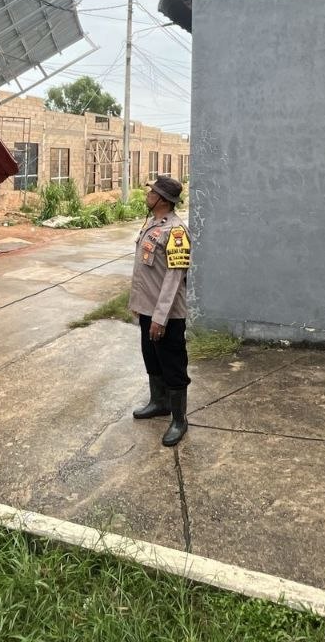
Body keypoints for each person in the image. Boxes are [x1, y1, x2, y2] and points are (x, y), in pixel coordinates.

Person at [128, 175, 192, 447]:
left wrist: (159, 317)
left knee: (173, 366)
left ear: (163, 200)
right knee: (152, 358)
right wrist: (142, 309)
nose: (147, 195)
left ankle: (179, 420)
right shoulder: (154, 224)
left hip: (166, 315)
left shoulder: (176, 232)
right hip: (147, 309)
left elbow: (174, 278)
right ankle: (159, 402)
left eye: (152, 193)